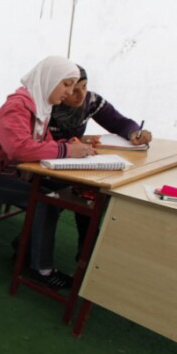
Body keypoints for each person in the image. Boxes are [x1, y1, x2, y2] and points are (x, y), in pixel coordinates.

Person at [0, 56, 97, 289]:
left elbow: (42, 142)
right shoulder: (17, 106)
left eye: (73, 85)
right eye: (66, 84)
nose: (70, 91)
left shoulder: (40, 106)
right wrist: (66, 149)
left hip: (7, 174)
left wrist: (69, 144)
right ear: (49, 78)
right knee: (45, 201)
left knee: (63, 193)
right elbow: (18, 148)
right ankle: (41, 269)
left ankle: (26, 247)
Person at [49, 65, 153, 255]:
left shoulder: (91, 101)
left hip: (76, 162)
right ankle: (85, 250)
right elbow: (40, 143)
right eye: (73, 89)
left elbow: (119, 122)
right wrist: (73, 143)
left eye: (84, 86)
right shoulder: (47, 104)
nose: (81, 94)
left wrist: (134, 132)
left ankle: (86, 249)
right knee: (85, 193)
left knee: (90, 191)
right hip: (48, 165)